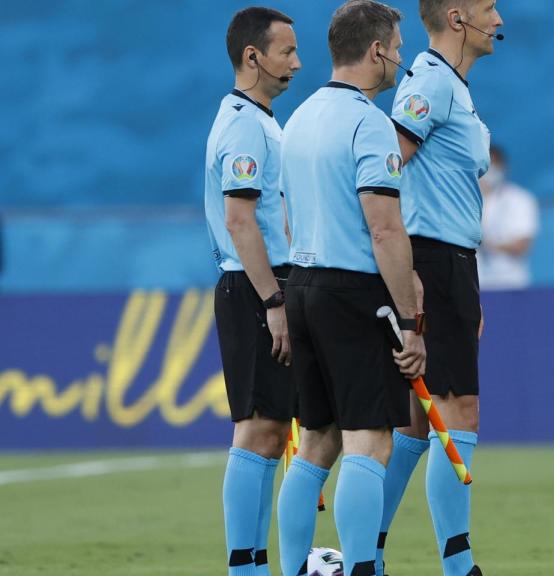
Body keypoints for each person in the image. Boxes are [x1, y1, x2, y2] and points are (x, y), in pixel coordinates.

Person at [274, 3, 426, 576]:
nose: (402, 56)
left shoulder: (300, 117)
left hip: (303, 285)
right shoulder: (369, 122)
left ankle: (292, 569)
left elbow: (288, 217)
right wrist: (408, 321)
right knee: (370, 442)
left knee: (315, 443)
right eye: (398, 45)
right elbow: (383, 226)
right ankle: (362, 567)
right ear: (377, 50)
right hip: (352, 290)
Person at [376, 1, 502, 575]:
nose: (498, 18)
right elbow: (383, 168)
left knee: (417, 421)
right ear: (458, 17)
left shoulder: (452, 84)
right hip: (431, 258)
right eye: (489, 7)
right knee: (460, 409)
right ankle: (459, 566)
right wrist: (409, 271)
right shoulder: (429, 82)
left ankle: (364, 553)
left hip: (451, 260)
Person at [203, 7, 301, 575]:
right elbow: (240, 221)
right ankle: (245, 566)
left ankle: (257, 563)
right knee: (259, 426)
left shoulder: (261, 120)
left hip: (267, 282)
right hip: (253, 286)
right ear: (252, 56)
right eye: (286, 51)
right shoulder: (243, 123)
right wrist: (272, 301)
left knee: (271, 427)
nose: (297, 62)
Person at [477, 145, 539, 290]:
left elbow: (522, 245)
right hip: (475, 283)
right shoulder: (463, 200)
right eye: (485, 165)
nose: (489, 171)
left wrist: (485, 244)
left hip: (510, 283)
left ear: (503, 167)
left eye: (494, 165)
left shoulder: (520, 199)